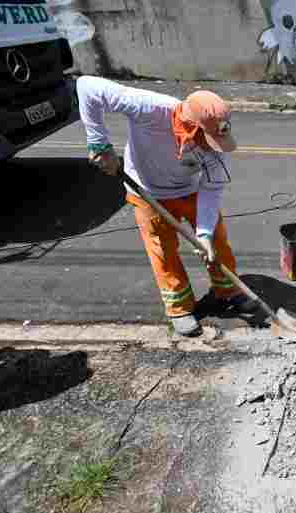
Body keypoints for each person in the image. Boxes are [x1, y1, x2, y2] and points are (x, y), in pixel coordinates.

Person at [77, 76, 258, 337]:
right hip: (148, 190)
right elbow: (86, 86)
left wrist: (204, 234)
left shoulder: (215, 148)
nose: (213, 149)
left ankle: (228, 290)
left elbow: (212, 188)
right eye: (206, 140)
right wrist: (99, 144)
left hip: (192, 190)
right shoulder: (149, 108)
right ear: (189, 128)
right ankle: (179, 308)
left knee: (216, 242)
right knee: (163, 251)